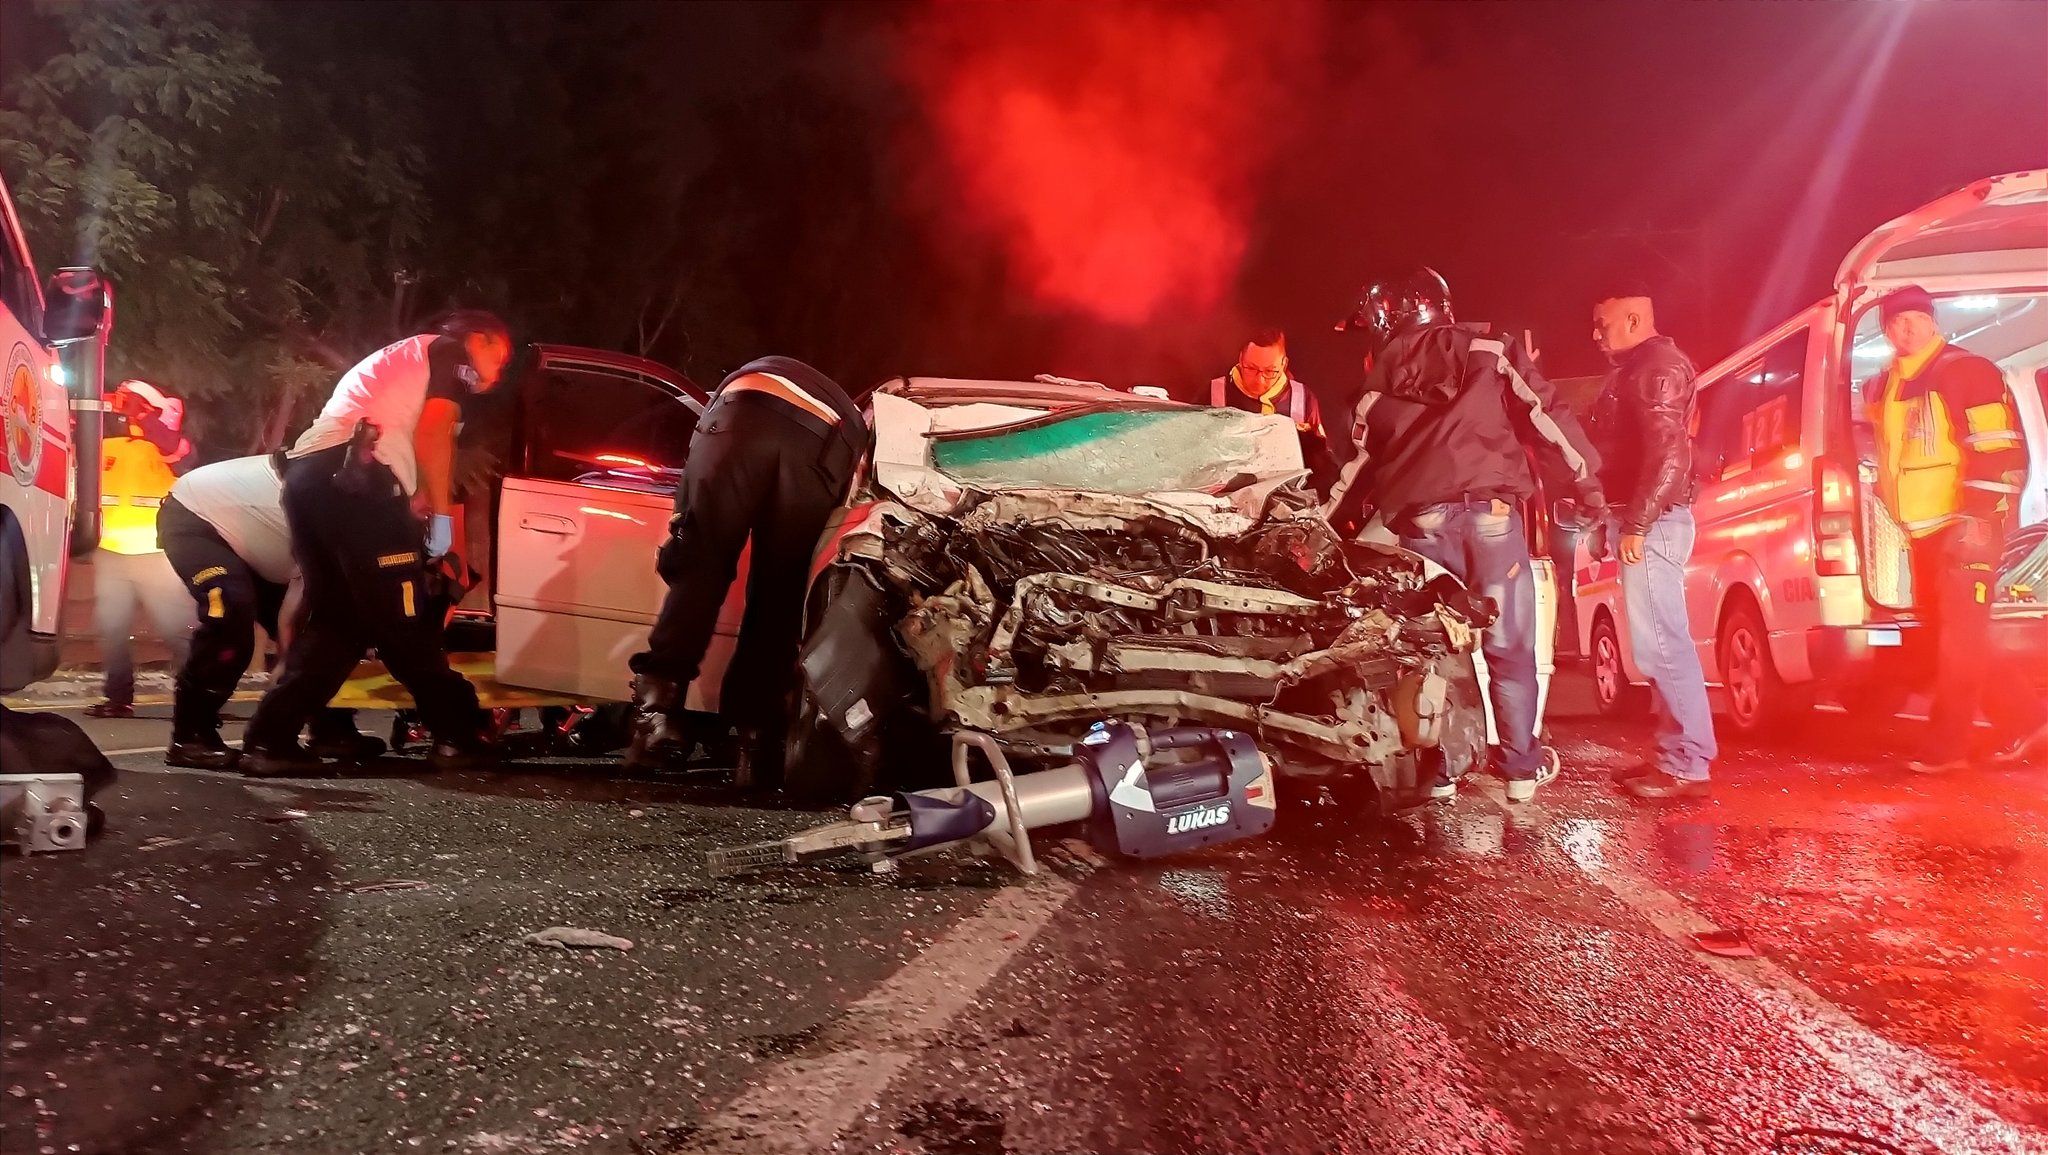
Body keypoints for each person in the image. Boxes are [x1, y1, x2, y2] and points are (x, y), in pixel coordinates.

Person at [1326, 269, 1604, 802]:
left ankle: (1443, 771)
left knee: (1436, 650)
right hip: (1492, 519)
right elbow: (1544, 412)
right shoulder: (1488, 347)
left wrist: (1312, 526)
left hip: (1424, 530)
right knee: (1510, 646)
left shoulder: (1374, 384)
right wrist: (1585, 477)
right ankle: (1521, 769)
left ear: (1388, 319)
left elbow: (1354, 468)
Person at [239, 311, 514, 776]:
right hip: (358, 475)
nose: (497, 372)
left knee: (340, 621)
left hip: (314, 478)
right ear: (479, 338)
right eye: (499, 357)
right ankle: (456, 733)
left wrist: (410, 499)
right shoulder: (448, 351)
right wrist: (444, 521)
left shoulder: (399, 357)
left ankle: (269, 740)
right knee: (403, 615)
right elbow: (434, 429)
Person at [626, 356, 870, 785]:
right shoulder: (859, 427)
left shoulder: (752, 378)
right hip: (824, 440)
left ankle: (655, 720)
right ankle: (755, 744)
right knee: (780, 593)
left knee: (699, 564)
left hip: (737, 409)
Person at [1864, 286, 2046, 772]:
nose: (1907, 328)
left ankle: (1948, 748)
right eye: (1896, 322)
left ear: (1933, 321)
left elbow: (2001, 451)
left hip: (1964, 525)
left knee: (1958, 641)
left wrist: (1980, 519)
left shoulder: (1965, 370)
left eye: (1916, 319)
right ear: (1885, 330)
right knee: (1953, 636)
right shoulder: (1891, 384)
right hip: (1923, 532)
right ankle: (2030, 720)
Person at [157, 453, 383, 770]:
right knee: (230, 607)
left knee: (330, 632)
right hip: (196, 517)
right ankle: (191, 735)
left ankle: (330, 728)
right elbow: (297, 604)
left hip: (258, 541)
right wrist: (287, 660)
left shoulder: (366, 523)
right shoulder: (330, 516)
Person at [1586, 286, 1718, 800]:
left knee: (1662, 644)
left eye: (1604, 323)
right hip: (1649, 518)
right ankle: (1674, 755)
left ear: (1636, 318)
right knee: (1656, 644)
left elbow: (1670, 456)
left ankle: (1687, 761)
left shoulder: (1656, 369)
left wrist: (1636, 523)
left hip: (1655, 521)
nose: (1596, 334)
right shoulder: (1642, 368)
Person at [86, 381, 197, 718]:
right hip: (110, 553)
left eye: (132, 404)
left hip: (155, 554)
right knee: (112, 630)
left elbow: (176, 452)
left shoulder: (170, 445)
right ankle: (118, 699)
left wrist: (148, 418)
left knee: (178, 632)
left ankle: (198, 699)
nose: (124, 410)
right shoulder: (105, 445)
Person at [1208, 328, 1340, 493]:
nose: (1259, 379)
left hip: (1284, 500)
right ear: (1240, 358)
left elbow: (1322, 463)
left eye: (1270, 371)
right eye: (1251, 368)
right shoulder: (1214, 393)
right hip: (1223, 499)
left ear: (1284, 364)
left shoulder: (1303, 399)